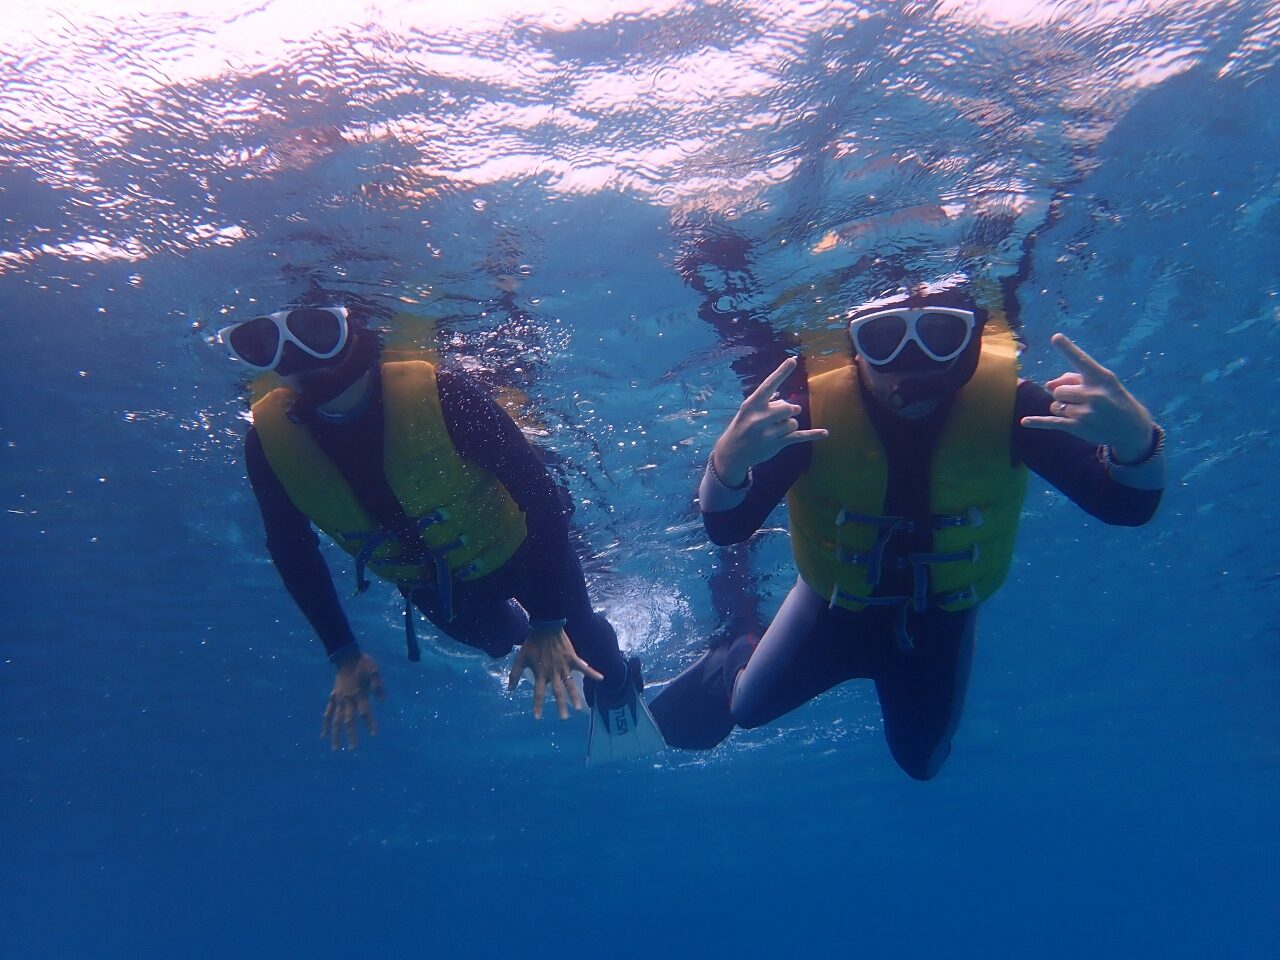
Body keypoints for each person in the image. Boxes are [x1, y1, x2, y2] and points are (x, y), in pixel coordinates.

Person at [651, 277, 1164, 780]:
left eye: (941, 336)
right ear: (856, 348)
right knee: (745, 709)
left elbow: (1124, 506)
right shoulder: (808, 415)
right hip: (830, 605)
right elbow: (727, 526)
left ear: (972, 343)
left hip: (941, 617)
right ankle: (733, 652)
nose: (910, 362)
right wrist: (728, 461)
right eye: (883, 338)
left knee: (923, 764)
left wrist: (1135, 441)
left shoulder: (1015, 409)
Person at [218, 302, 664, 761]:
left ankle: (615, 685)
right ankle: (533, 643)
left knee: (579, 630)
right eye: (260, 344)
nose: (297, 357)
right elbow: (292, 550)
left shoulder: (448, 396)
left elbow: (543, 499)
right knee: (494, 640)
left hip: (522, 552)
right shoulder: (266, 446)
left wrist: (550, 622)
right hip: (434, 589)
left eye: (316, 330)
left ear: (352, 331)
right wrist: (343, 654)